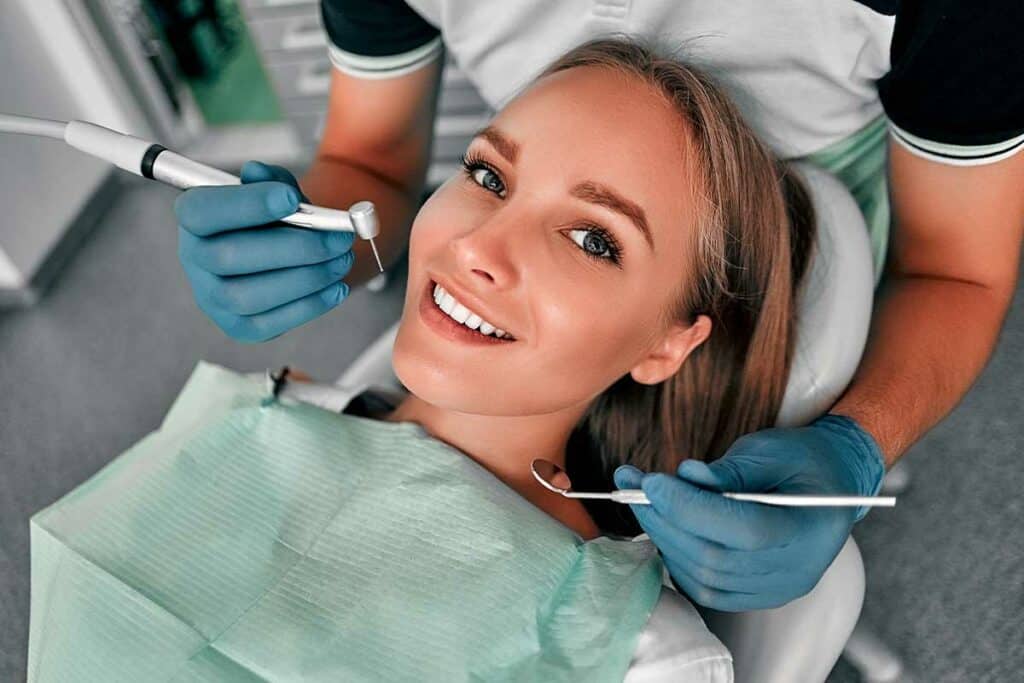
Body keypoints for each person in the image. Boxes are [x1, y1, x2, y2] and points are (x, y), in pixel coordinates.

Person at [174, 1, 1024, 612]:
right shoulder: (246, 441)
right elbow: (372, 160)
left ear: (670, 343)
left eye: (594, 240)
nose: (476, 247)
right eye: (485, 175)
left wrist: (858, 440)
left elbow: (955, 271)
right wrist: (310, 233)